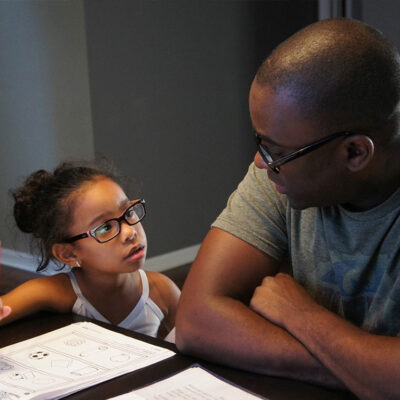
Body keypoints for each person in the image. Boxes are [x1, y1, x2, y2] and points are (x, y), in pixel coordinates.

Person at [175, 17, 400, 400]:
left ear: (356, 152)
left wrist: (303, 316)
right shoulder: (280, 175)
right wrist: (362, 371)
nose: (261, 163)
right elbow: (197, 320)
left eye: (276, 151)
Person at [0, 162, 180, 340]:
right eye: (105, 228)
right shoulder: (60, 291)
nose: (130, 232)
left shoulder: (162, 291)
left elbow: (192, 343)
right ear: (69, 254)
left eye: (129, 213)